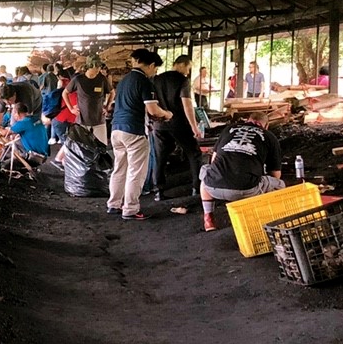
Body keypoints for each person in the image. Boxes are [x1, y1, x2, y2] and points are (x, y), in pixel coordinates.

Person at [106, 48, 173, 220]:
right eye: (155, 69)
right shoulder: (144, 81)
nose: (154, 72)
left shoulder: (124, 80)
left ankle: (114, 204)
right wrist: (166, 114)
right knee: (136, 172)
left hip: (116, 129)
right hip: (134, 130)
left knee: (119, 169)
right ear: (151, 65)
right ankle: (130, 209)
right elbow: (152, 110)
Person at [199, 111, 284, 232]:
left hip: (213, 187)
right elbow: (275, 175)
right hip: (246, 189)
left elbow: (214, 161)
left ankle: (208, 218)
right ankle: (264, 221)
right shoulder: (269, 136)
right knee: (280, 185)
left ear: (248, 120)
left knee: (206, 172)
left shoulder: (230, 128)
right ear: (266, 125)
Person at [152, 55, 205, 200]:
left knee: (160, 157)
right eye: (188, 68)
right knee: (194, 154)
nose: (188, 72)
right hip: (179, 124)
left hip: (160, 124)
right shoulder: (182, 80)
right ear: (181, 64)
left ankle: (158, 191)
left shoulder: (157, 79)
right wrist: (194, 127)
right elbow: (187, 105)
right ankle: (197, 187)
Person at [68, 55, 111, 144]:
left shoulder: (102, 79)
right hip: (82, 121)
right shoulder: (78, 80)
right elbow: (65, 93)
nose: (99, 69)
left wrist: (107, 106)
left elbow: (112, 92)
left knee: (102, 147)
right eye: (97, 67)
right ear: (91, 66)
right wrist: (71, 109)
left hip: (99, 120)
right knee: (83, 148)